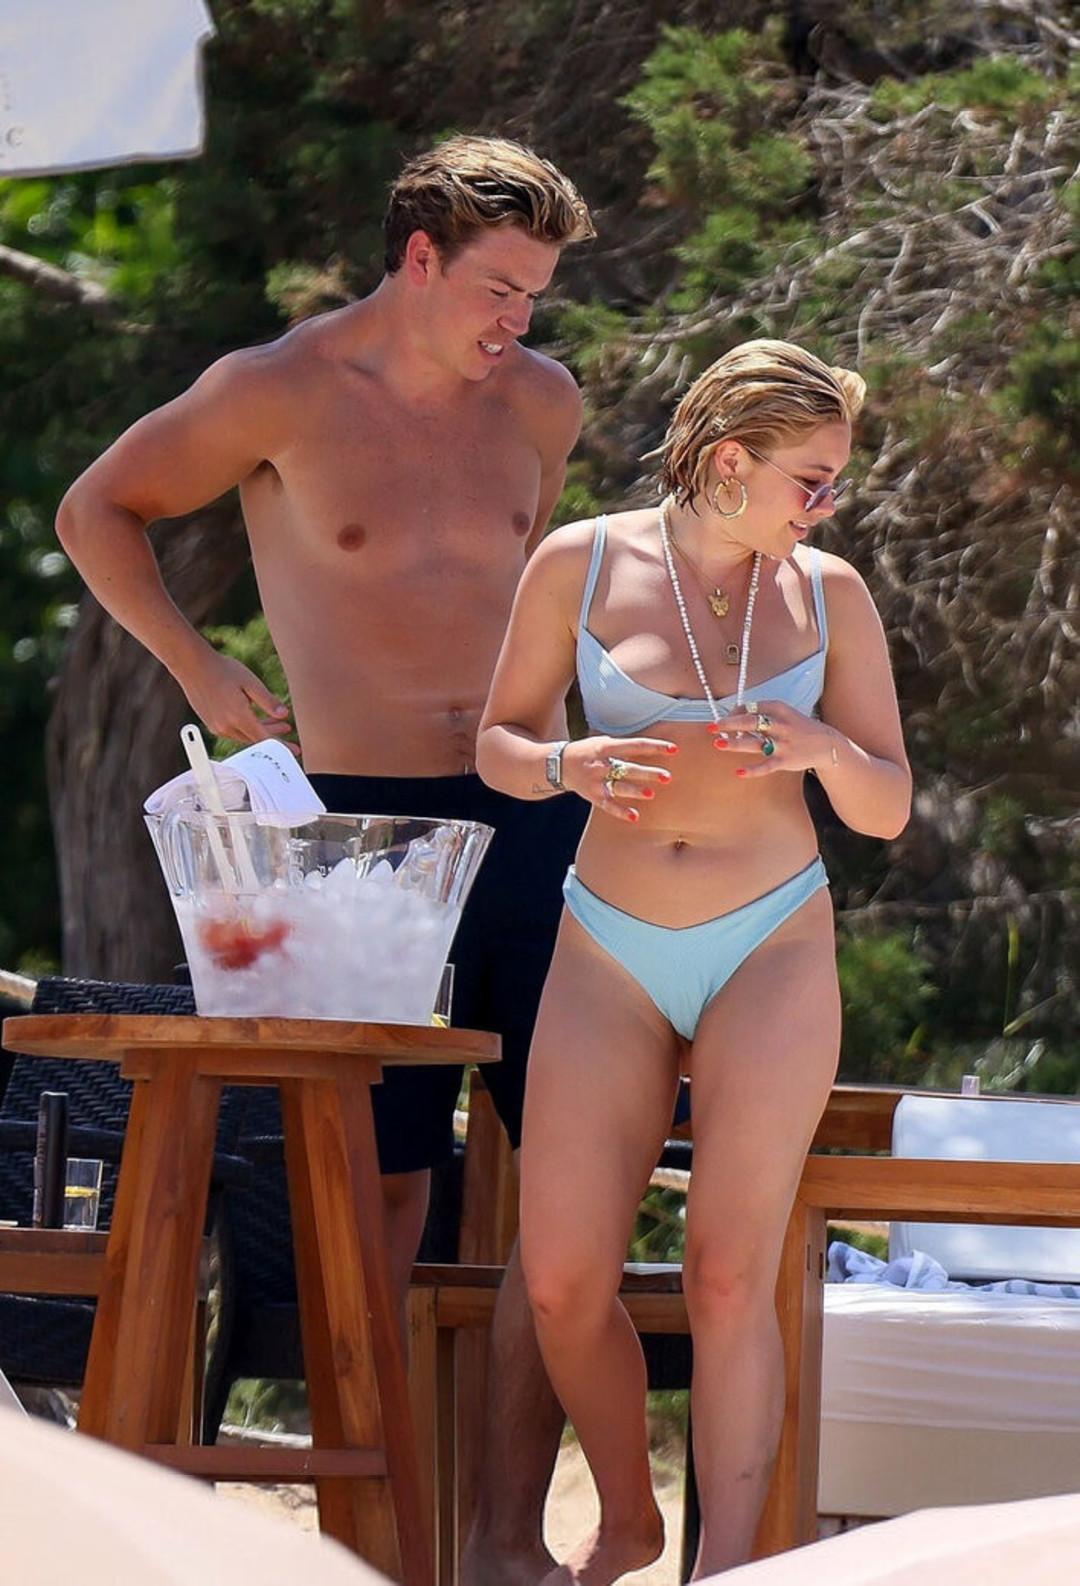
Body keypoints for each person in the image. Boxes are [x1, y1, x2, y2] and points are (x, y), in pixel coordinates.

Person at [55, 134, 595, 1586]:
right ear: (418, 258)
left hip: (531, 809)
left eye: (535, 294)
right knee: (385, 1196)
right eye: (496, 288)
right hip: (359, 829)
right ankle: (383, 1544)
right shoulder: (277, 388)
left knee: (568, 1188)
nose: (517, 321)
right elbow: (94, 509)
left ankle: (502, 1539)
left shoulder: (542, 401)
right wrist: (196, 664)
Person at [476, 338, 912, 1584]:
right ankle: (630, 1513)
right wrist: (566, 764)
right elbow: (498, 741)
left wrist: (823, 749)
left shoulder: (830, 592)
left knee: (728, 1276)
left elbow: (887, 804)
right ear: (730, 462)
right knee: (562, 1281)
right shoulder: (582, 562)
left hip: (770, 939)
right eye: (811, 480)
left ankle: (726, 1567)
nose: (826, 504)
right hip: (606, 944)